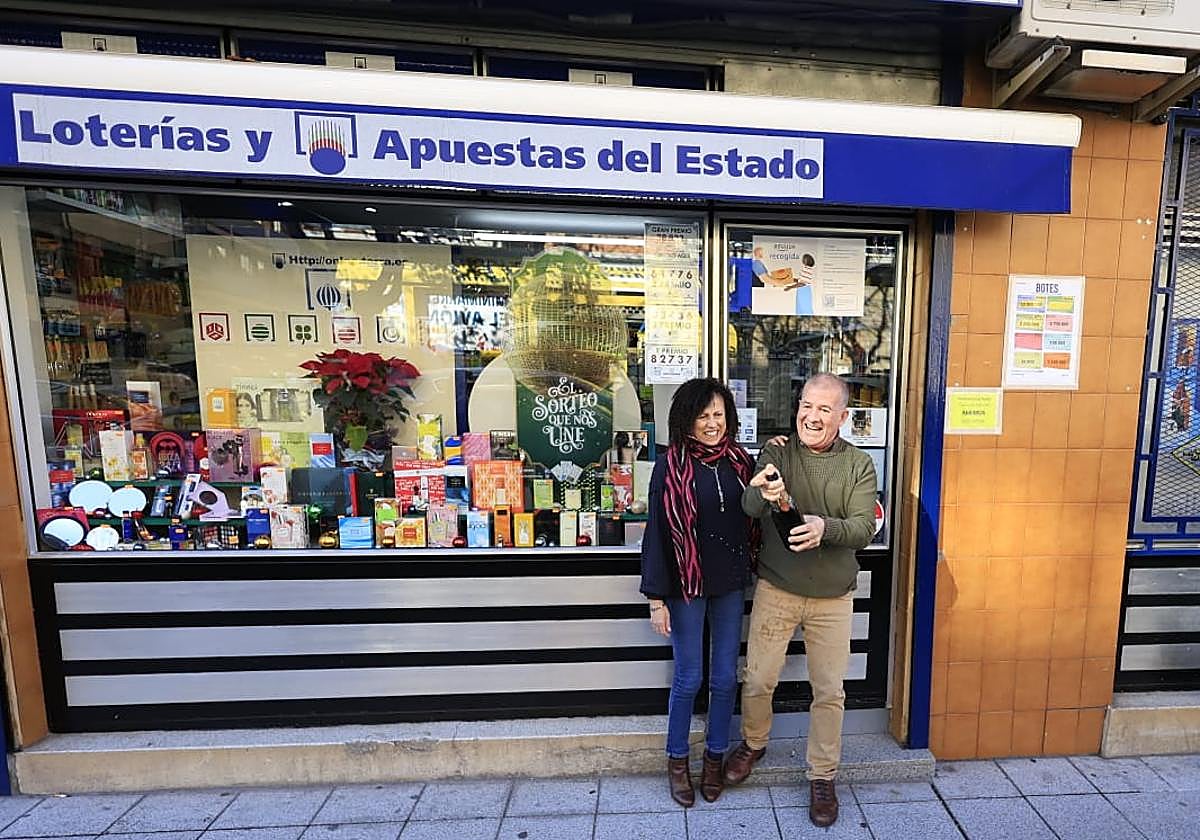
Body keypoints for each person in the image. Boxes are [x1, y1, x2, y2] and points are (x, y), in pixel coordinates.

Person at [722, 372, 877, 828]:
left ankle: (823, 776)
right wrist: (764, 489)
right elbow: (750, 508)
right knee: (757, 679)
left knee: (829, 691)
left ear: (843, 417)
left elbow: (864, 528)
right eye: (807, 405)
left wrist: (824, 528)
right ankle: (753, 743)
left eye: (825, 409)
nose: (812, 416)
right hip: (777, 588)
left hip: (833, 598)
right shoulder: (777, 451)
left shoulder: (859, 465)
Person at [640, 377, 760, 808]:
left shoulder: (741, 461)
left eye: (718, 414)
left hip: (729, 583)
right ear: (685, 420)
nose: (711, 423)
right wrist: (656, 599)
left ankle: (713, 760)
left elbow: (758, 516)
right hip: (685, 587)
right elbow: (655, 535)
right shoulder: (670, 466)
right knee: (690, 678)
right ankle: (677, 762)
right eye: (702, 415)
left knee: (726, 678)